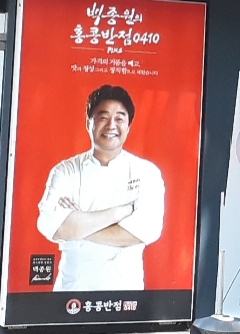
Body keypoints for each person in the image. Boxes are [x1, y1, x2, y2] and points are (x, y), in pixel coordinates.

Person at [36, 85, 165, 291]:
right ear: (89, 122)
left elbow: (148, 230)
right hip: (72, 292)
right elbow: (51, 225)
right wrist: (120, 212)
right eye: (103, 117)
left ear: (129, 126)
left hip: (125, 292)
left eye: (119, 118)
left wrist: (77, 225)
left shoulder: (146, 172)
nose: (111, 125)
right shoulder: (66, 170)